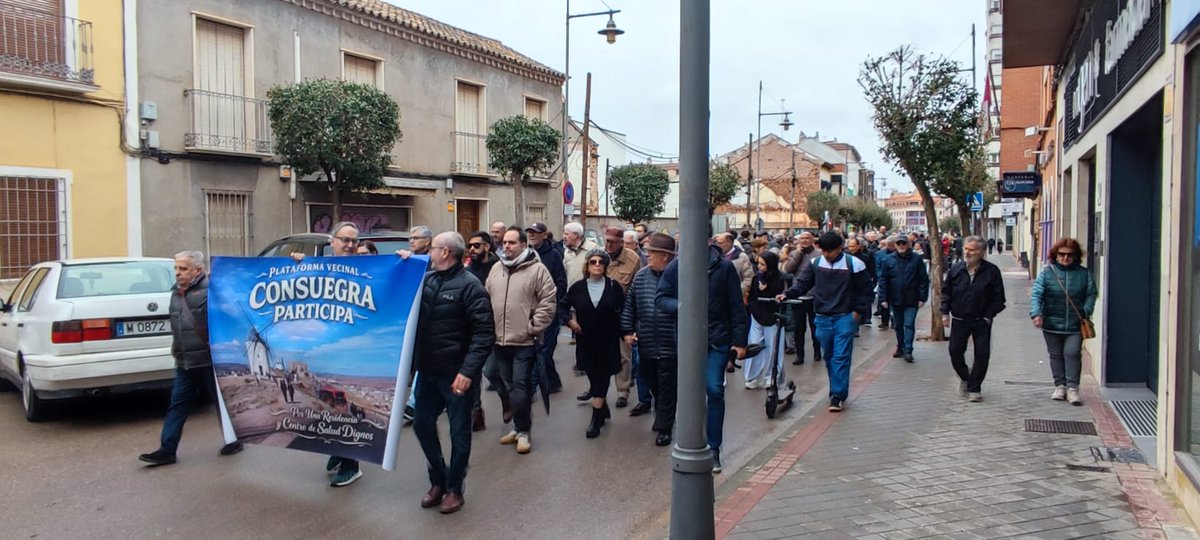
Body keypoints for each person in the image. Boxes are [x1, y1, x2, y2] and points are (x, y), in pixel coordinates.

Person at [400, 232, 494, 514]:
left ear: (446, 252)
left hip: (457, 375)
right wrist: (403, 264)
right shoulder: (427, 280)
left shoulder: (470, 286)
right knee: (421, 425)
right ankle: (438, 479)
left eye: (434, 248)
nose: (429, 251)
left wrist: (467, 371)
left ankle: (454, 488)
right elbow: (400, 292)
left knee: (459, 432)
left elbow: (484, 334)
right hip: (427, 372)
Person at [138, 251, 244, 467]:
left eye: (183, 269)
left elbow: (228, 317)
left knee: (221, 403)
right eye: (176, 269)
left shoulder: (210, 292)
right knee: (177, 405)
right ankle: (167, 450)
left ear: (198, 270)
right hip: (184, 361)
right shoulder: (176, 294)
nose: (178, 273)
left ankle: (233, 440)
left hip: (207, 361)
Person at [656, 235, 748, 474]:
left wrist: (739, 342)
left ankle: (714, 447)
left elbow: (736, 305)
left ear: (707, 239)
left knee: (714, 388)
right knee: (688, 393)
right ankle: (689, 442)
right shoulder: (676, 267)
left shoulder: (724, 267)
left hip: (717, 340)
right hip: (687, 342)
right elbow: (661, 298)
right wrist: (682, 306)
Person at [780, 232, 874, 412]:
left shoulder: (854, 264)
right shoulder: (816, 264)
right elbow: (802, 284)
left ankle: (837, 395)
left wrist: (857, 313)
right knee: (829, 356)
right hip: (822, 317)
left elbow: (866, 291)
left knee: (840, 357)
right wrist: (786, 294)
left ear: (840, 248)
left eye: (830, 251)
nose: (827, 255)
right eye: (824, 251)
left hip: (845, 317)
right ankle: (836, 389)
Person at [485, 227, 557, 454]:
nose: (506, 246)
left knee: (520, 387)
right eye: (505, 242)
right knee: (505, 382)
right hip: (499, 340)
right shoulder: (496, 269)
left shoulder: (537, 270)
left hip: (524, 341)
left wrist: (533, 327)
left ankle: (524, 431)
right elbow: (487, 298)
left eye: (512, 243)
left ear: (523, 245)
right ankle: (517, 427)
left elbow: (548, 300)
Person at [620, 233, 679, 446]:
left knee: (667, 387)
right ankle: (663, 415)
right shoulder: (642, 276)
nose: (648, 256)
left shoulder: (679, 277)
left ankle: (664, 427)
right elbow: (630, 305)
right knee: (654, 384)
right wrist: (627, 330)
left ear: (665, 256)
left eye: (651, 253)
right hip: (646, 342)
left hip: (671, 344)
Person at [565, 250, 626, 438]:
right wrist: (570, 322)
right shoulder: (578, 288)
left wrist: (627, 334)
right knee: (593, 376)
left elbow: (624, 310)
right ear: (588, 265)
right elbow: (562, 307)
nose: (597, 264)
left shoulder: (614, 287)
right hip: (586, 341)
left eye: (601, 262)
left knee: (602, 377)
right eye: (593, 261)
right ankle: (603, 406)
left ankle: (595, 419)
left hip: (608, 340)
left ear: (606, 266)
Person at [1031, 238, 1097, 406]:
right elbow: (1037, 293)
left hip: (1075, 324)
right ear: (1056, 255)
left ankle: (1073, 388)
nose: (1066, 258)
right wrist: (1036, 313)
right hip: (1052, 322)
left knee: (1072, 353)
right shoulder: (1047, 273)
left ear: (1075, 256)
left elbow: (1091, 293)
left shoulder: (1084, 274)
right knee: (1056, 355)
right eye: (1062, 254)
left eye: (1070, 255)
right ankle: (1060, 386)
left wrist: (1086, 310)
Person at [941, 235, 1007, 402]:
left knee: (982, 354)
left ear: (982, 252)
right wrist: (944, 313)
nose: (967, 253)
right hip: (959, 318)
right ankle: (966, 377)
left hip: (981, 320)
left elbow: (999, 299)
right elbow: (946, 292)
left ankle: (975, 388)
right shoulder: (956, 269)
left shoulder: (992, 271)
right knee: (955, 351)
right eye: (966, 249)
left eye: (972, 250)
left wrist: (988, 316)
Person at [596, 226, 642, 408]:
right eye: (606, 240)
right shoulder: (598, 257)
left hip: (623, 314)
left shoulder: (633, 259)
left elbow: (636, 288)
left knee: (623, 355)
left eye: (613, 242)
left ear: (622, 243)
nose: (608, 245)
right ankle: (597, 390)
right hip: (600, 315)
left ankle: (623, 390)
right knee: (599, 354)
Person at [466, 231, 505, 431]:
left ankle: (505, 397)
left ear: (487, 247)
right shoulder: (467, 270)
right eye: (469, 245)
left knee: (491, 371)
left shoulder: (499, 268)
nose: (471, 249)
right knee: (472, 373)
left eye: (476, 245)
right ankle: (476, 413)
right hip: (470, 327)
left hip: (492, 327)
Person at [526, 222, 567, 396]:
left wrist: (551, 303)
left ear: (544, 234)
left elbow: (561, 282)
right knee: (538, 350)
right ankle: (553, 381)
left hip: (549, 312)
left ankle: (532, 387)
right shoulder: (525, 254)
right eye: (529, 232)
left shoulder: (554, 255)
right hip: (529, 311)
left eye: (536, 232)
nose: (532, 235)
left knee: (543, 349)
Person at [877, 236, 930, 363]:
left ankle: (908, 350)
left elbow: (923, 279)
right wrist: (883, 298)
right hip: (895, 298)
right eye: (899, 243)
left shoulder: (916, 259)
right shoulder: (888, 260)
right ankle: (900, 347)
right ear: (895, 245)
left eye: (903, 243)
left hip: (912, 298)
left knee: (909, 324)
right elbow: (883, 280)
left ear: (909, 244)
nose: (901, 245)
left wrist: (922, 297)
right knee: (898, 325)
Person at [743, 251, 788, 389]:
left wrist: (767, 291)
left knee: (773, 348)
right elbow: (752, 297)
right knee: (754, 346)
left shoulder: (779, 278)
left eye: (763, 264)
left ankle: (771, 376)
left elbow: (779, 297)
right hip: (757, 316)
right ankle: (752, 376)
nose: (760, 267)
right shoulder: (757, 277)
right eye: (758, 264)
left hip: (773, 317)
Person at [784, 231, 822, 365]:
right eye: (802, 238)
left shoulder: (819, 254)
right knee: (799, 328)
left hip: (813, 296)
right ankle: (799, 355)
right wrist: (798, 254)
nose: (804, 241)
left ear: (812, 240)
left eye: (807, 238)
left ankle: (817, 351)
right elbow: (788, 270)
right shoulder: (794, 254)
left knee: (815, 327)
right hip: (797, 296)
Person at [715, 232, 754, 298]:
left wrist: (737, 293)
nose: (717, 245)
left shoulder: (741, 257)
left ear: (729, 243)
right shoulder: (716, 256)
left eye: (720, 243)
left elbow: (748, 278)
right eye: (717, 242)